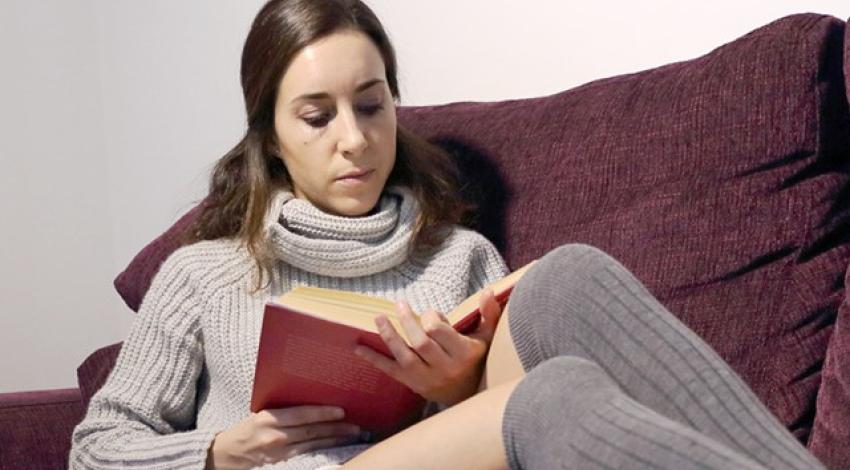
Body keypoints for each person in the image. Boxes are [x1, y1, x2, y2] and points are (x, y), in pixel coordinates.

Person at [69, 1, 825, 469]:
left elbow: (483, 434)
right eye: (317, 115)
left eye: (371, 106)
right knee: (550, 397)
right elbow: (95, 449)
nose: (355, 140)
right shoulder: (205, 273)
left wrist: (454, 387)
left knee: (564, 277)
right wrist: (213, 453)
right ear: (270, 137)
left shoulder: (459, 256)